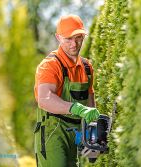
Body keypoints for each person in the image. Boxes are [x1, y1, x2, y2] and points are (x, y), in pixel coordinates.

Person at [34, 14, 100, 167]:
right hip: (52, 132)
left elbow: (90, 97)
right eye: (68, 39)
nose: (74, 44)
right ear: (58, 37)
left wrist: (93, 129)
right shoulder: (50, 65)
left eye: (78, 38)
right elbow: (44, 99)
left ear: (83, 36)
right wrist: (76, 108)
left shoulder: (87, 67)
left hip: (75, 132)